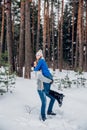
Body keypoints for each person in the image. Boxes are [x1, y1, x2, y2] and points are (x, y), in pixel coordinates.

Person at [34, 50, 64, 121]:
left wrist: (35, 66)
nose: (36, 57)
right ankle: (58, 97)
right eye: (36, 56)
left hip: (48, 78)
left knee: (47, 92)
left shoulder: (41, 61)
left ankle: (58, 97)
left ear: (40, 56)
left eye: (37, 56)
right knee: (47, 93)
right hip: (47, 79)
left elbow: (36, 69)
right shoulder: (41, 64)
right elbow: (38, 73)